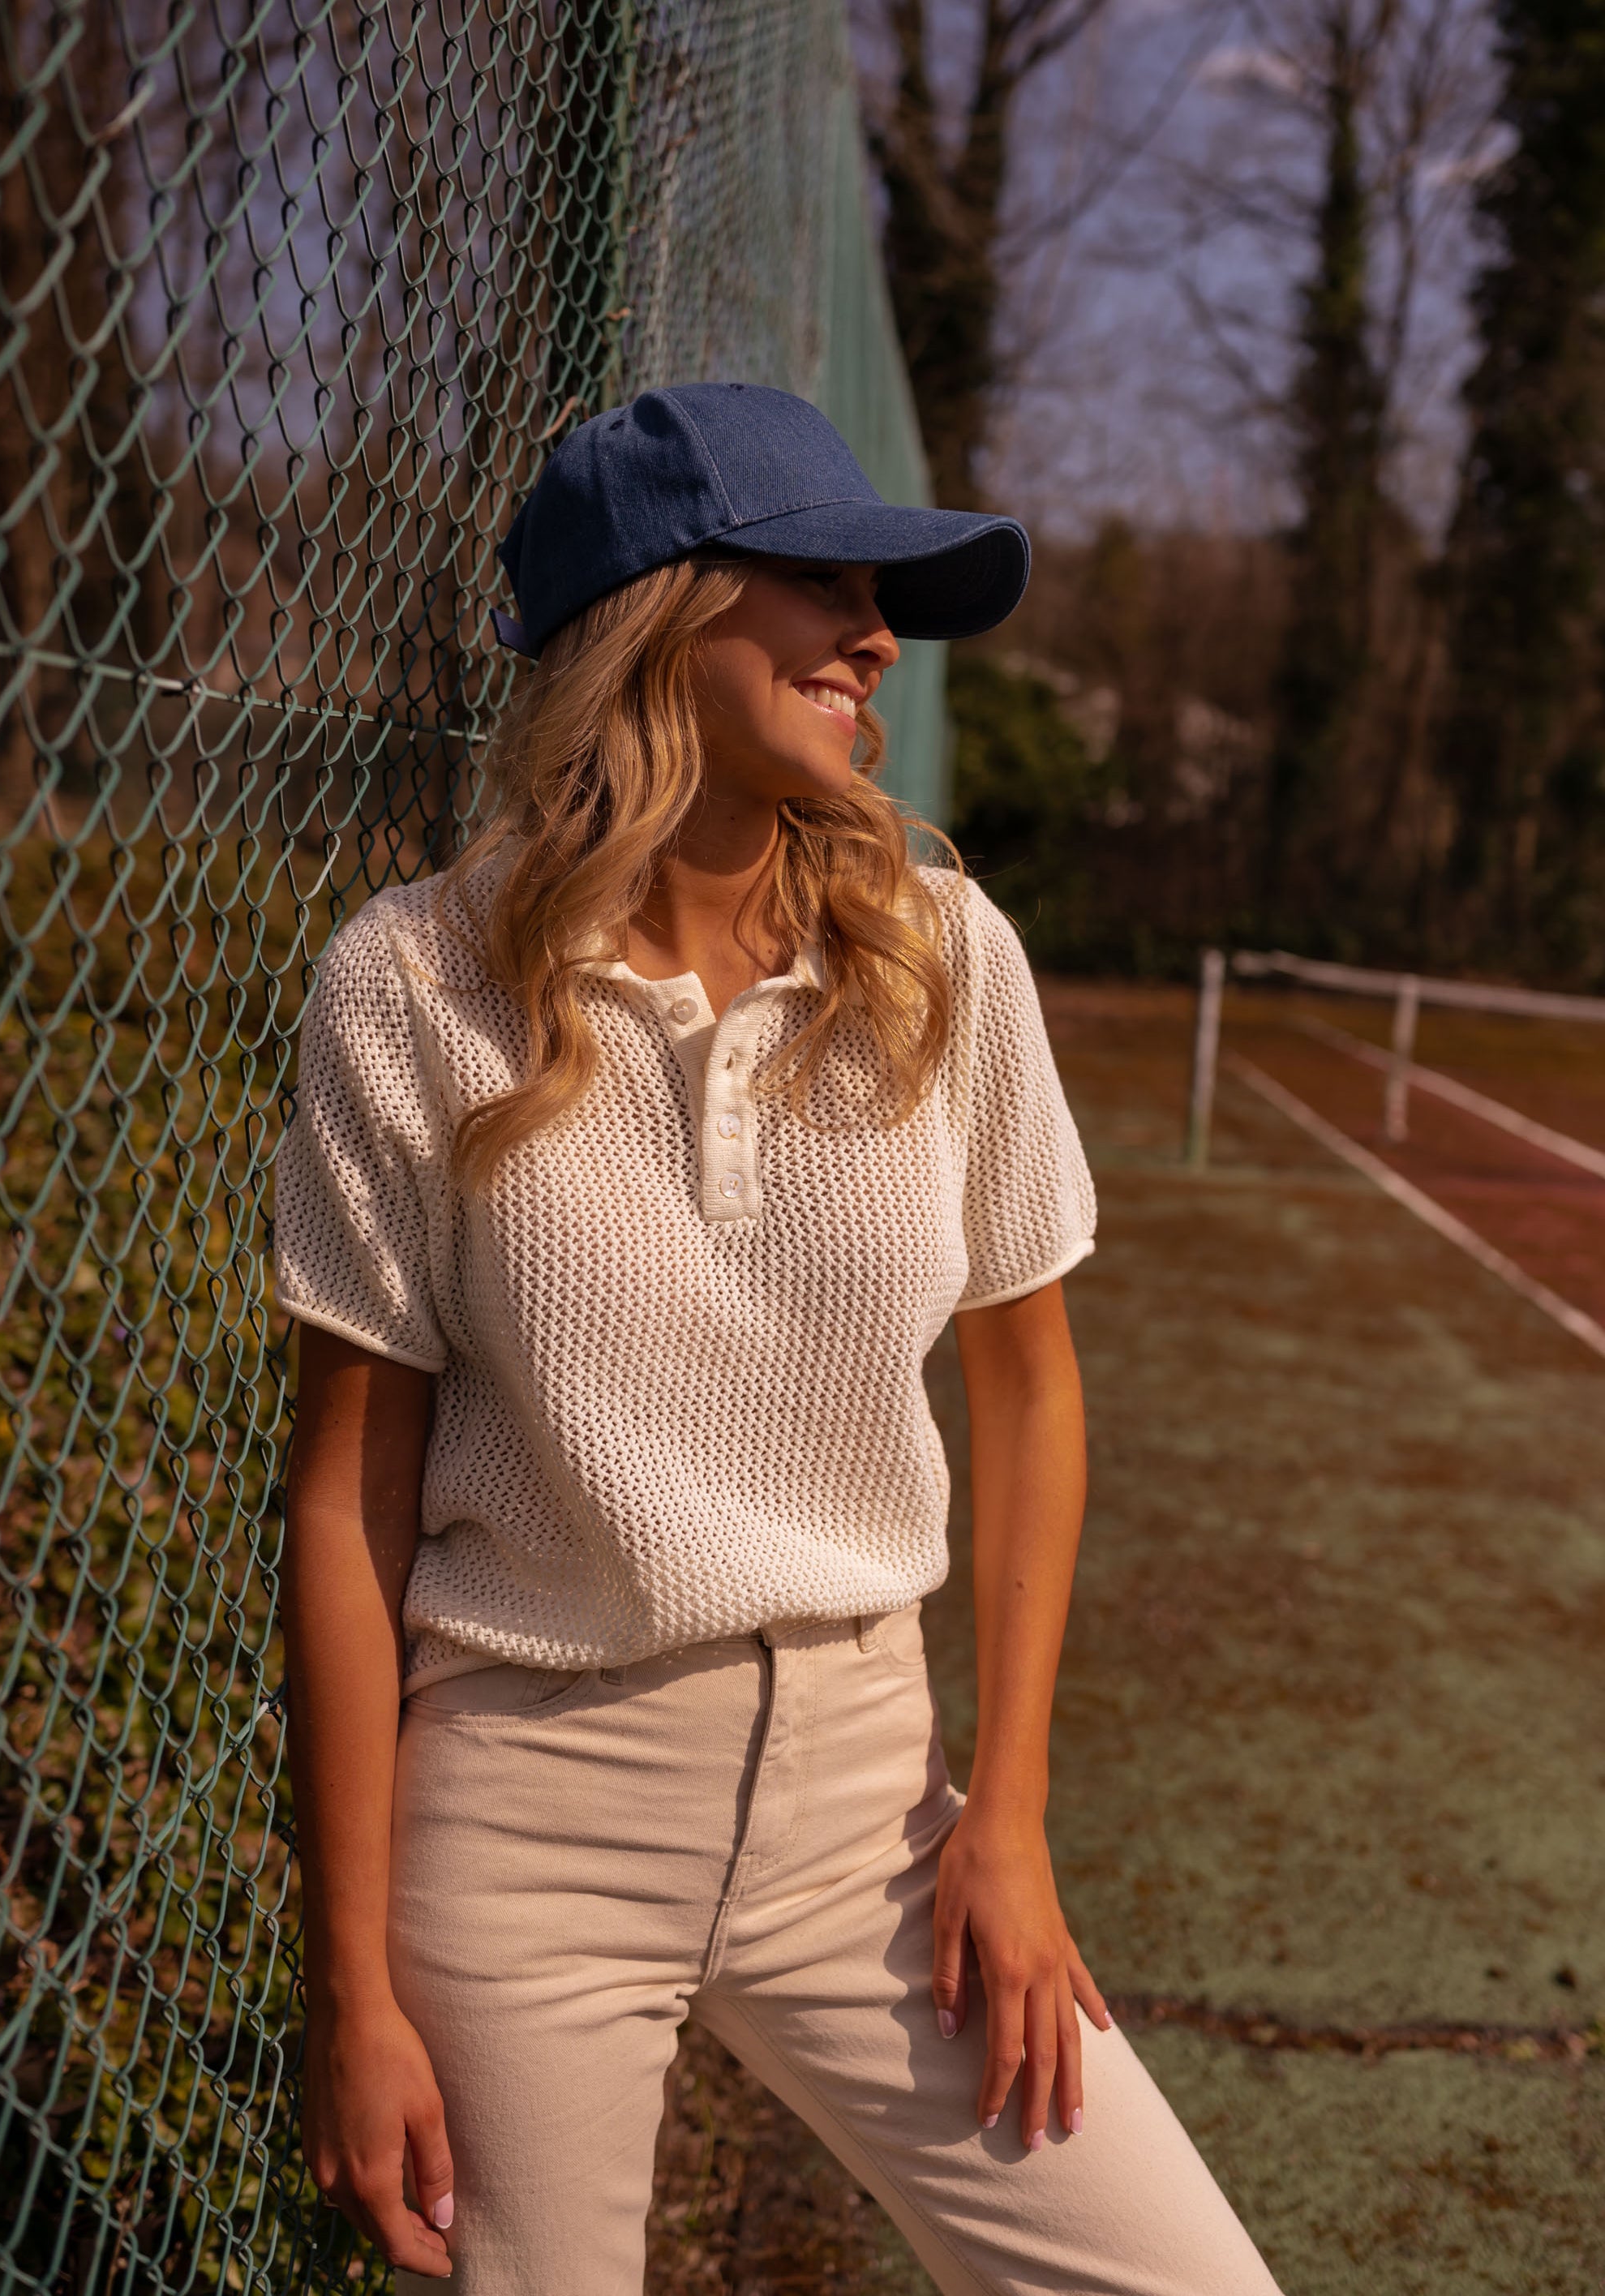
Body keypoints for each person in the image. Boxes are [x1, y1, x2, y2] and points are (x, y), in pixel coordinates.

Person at [276, 383, 1281, 2296]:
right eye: (817, 579)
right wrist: (356, 1986)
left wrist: (1015, 1813)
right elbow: (348, 1497)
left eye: (881, 590)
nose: (876, 633)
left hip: (874, 1814)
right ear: (655, 612)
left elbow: (1032, 1385)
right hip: (526, 1820)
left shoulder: (943, 956)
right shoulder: (407, 986)